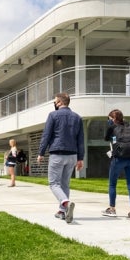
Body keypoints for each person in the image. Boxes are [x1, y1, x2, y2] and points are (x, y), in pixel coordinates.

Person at [37, 92, 84, 223]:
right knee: (65, 184)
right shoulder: (77, 117)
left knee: (54, 183)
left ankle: (65, 203)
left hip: (57, 154)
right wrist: (81, 158)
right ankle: (62, 212)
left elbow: (46, 135)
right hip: (72, 156)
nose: (54, 104)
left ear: (59, 102)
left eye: (55, 102)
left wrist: (41, 153)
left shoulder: (53, 115)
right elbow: (80, 140)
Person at [103, 109, 130, 221]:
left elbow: (106, 139)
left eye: (109, 119)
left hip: (118, 159)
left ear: (113, 119)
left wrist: (110, 125)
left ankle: (112, 209)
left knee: (112, 184)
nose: (108, 121)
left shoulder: (112, 128)